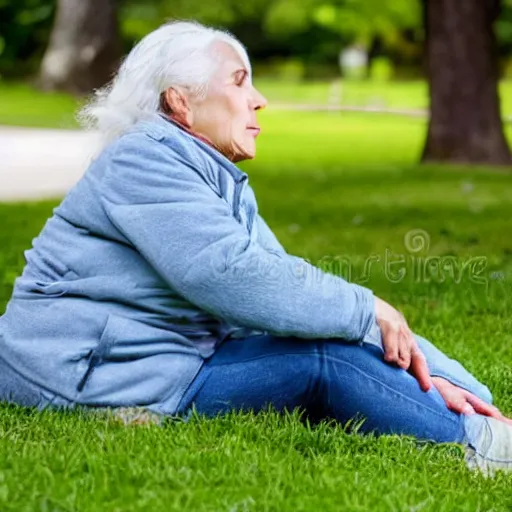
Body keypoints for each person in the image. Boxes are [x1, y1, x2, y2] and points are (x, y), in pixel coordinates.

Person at [0, 21, 510, 475]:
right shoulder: (141, 160)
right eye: (240, 82)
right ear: (181, 101)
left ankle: (474, 414)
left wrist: (444, 377)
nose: (259, 99)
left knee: (328, 333)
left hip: (144, 364)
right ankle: (482, 444)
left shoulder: (207, 173)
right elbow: (231, 277)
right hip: (85, 377)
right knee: (321, 358)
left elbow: (278, 282)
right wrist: (366, 311)